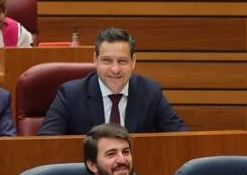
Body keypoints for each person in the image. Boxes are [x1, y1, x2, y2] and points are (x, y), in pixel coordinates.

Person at [38, 27, 186, 136]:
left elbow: (180, 138)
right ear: (95, 60)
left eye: (122, 61)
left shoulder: (150, 91)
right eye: (107, 61)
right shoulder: (71, 94)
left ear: (133, 62)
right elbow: (47, 142)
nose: (115, 69)